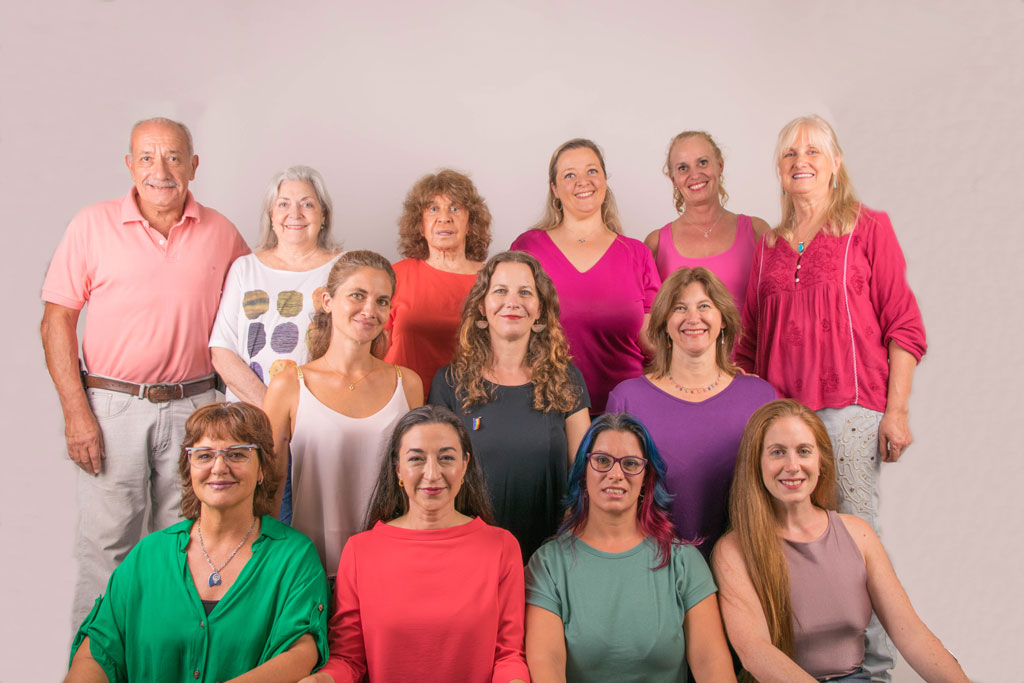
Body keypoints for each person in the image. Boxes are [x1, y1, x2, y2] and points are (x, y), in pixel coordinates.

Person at [734, 115, 927, 681]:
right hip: (777, 419)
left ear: (835, 162)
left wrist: (897, 410)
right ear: (778, 168)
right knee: (779, 543)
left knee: (852, 542)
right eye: (791, 151)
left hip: (849, 409)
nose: (802, 159)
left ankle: (873, 669)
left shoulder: (868, 229)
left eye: (815, 150)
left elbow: (904, 325)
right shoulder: (768, 246)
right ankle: (793, 665)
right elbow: (746, 342)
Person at [41, 117, 250, 629]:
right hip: (113, 408)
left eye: (174, 157)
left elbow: (253, 318)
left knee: (190, 549)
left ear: (194, 166)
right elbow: (56, 322)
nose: (161, 170)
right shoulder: (91, 225)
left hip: (197, 410)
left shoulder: (222, 234)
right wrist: (76, 412)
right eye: (148, 158)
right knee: (105, 552)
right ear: (130, 165)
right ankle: (92, 669)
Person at [66, 402, 330, 683]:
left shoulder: (294, 557)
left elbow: (301, 654)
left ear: (263, 467)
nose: (219, 467)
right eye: (204, 455)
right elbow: (96, 651)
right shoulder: (148, 555)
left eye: (237, 454)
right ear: (189, 468)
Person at [712, 400, 969, 683]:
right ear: (756, 464)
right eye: (777, 452)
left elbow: (911, 634)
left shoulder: (858, 535)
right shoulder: (734, 550)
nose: (792, 465)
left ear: (820, 461)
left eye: (804, 451)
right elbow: (755, 653)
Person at [302, 405, 529, 683]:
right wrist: (320, 679)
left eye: (446, 458)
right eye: (416, 459)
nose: (432, 474)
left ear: (465, 465)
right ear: (398, 469)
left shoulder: (502, 547)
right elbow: (348, 658)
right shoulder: (360, 551)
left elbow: (508, 657)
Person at [526, 413, 735, 683]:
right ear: (582, 473)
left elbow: (711, 662)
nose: (616, 474)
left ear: (646, 480)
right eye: (602, 461)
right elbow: (547, 663)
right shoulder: (548, 565)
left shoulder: (683, 561)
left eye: (630, 464)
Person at [263, 250, 423, 579]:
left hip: (390, 565)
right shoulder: (289, 386)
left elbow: (416, 485)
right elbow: (269, 492)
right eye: (357, 296)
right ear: (327, 301)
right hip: (309, 569)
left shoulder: (407, 383)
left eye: (382, 301)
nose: (370, 310)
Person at [429, 250, 591, 561]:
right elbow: (438, 476)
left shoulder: (567, 379)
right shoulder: (448, 383)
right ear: (482, 305)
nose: (512, 302)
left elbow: (584, 474)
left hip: (551, 555)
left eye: (525, 292)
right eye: (500, 290)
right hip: (470, 554)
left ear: (540, 309)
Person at [607, 267, 776, 560]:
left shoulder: (761, 397)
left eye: (704, 306)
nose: (692, 318)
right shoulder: (627, 399)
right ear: (663, 324)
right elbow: (607, 499)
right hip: (652, 563)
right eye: (680, 308)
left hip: (744, 563)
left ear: (723, 320)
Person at [512, 138, 660, 414]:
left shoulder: (637, 253)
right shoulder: (528, 248)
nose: (583, 181)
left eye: (592, 171)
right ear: (554, 189)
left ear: (605, 179)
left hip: (625, 413)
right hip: (546, 409)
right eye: (570, 175)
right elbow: (508, 330)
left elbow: (653, 341)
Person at [210, 165, 342, 404]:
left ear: (324, 216)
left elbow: (357, 348)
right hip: (251, 414)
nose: (295, 213)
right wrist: (272, 410)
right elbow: (222, 350)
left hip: (321, 411)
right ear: (271, 216)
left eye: (307, 204)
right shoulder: (245, 268)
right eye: (283, 204)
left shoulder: (344, 269)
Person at [384, 169, 491, 396]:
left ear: (471, 222)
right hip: (400, 401)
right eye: (433, 209)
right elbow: (373, 349)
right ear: (419, 224)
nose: (444, 217)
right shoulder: (394, 275)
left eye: (455, 208)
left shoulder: (492, 281)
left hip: (470, 403)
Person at [644, 131, 771, 314]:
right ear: (673, 179)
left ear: (719, 166)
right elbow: (649, 323)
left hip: (750, 344)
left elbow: (777, 306)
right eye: (683, 168)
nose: (694, 174)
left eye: (702, 162)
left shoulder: (757, 231)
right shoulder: (655, 244)